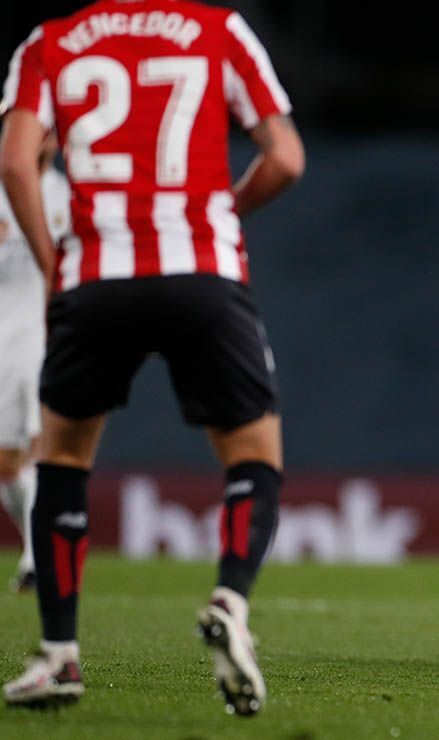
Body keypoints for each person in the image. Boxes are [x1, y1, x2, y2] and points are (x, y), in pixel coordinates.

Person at [0, 0, 304, 714]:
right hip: (200, 268)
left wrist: (51, 262)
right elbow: (286, 158)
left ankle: (59, 654)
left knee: (61, 459)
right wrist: (224, 210)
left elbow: (15, 160)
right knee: (253, 454)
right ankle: (230, 601)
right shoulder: (220, 31)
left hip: (96, 273)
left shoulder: (49, 42)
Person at [0, 133, 69, 593]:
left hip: (47, 335)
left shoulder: (67, 194)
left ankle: (35, 560)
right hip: (3, 336)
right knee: (8, 462)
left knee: (41, 444)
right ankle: (35, 545)